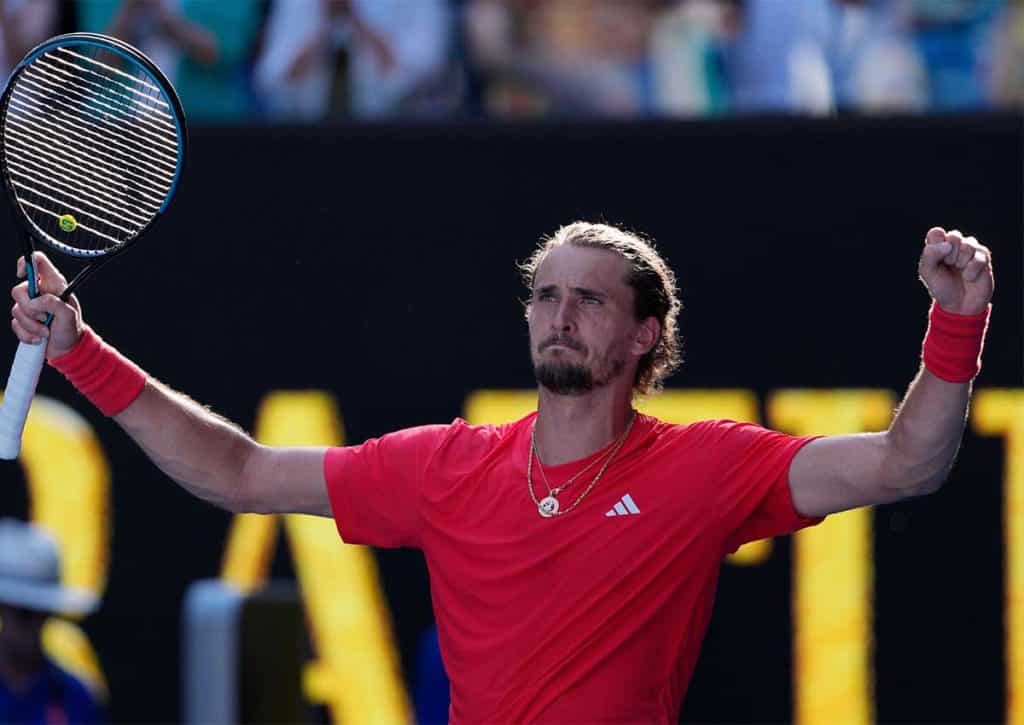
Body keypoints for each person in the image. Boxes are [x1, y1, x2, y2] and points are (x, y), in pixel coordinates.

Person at [10, 221, 993, 722]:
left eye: (589, 300)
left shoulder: (704, 464)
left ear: (644, 333)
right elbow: (240, 471)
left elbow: (907, 463)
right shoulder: (447, 463)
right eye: (546, 295)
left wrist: (955, 322)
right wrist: (84, 354)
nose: (560, 313)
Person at [0, 519, 105, 724]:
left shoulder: (77, 701)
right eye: (26, 613)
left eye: (45, 613)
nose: (36, 626)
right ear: (3, 608)